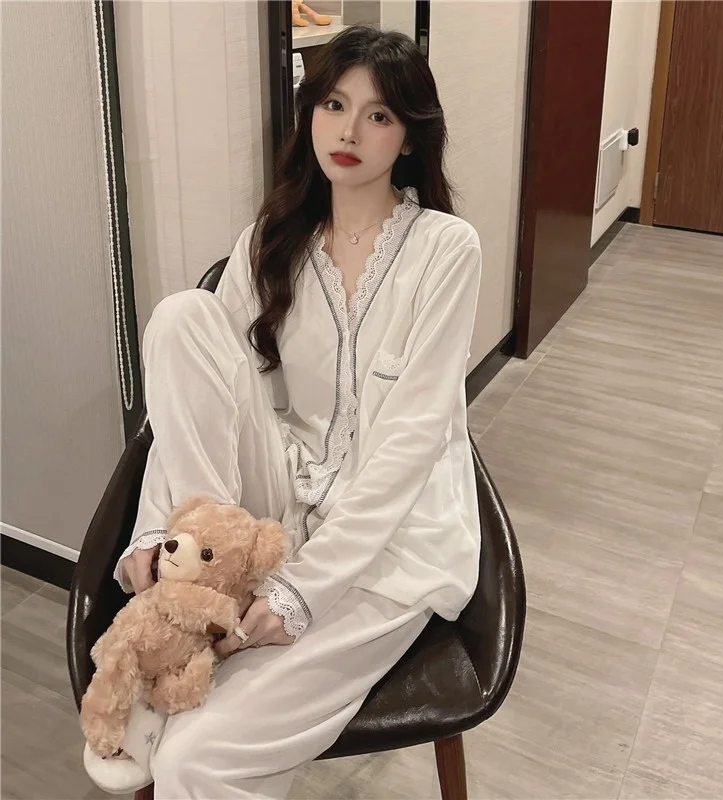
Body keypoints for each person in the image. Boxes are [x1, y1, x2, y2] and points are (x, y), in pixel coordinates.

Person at [83, 24, 482, 800]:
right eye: (334, 105)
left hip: (391, 542)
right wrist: (158, 532)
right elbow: (196, 405)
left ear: (408, 137)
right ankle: (188, 582)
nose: (349, 131)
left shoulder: (446, 250)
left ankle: (190, 635)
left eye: (378, 115)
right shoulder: (271, 239)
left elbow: (412, 443)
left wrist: (304, 592)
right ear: (310, 114)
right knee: (182, 318)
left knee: (194, 760)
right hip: (276, 507)